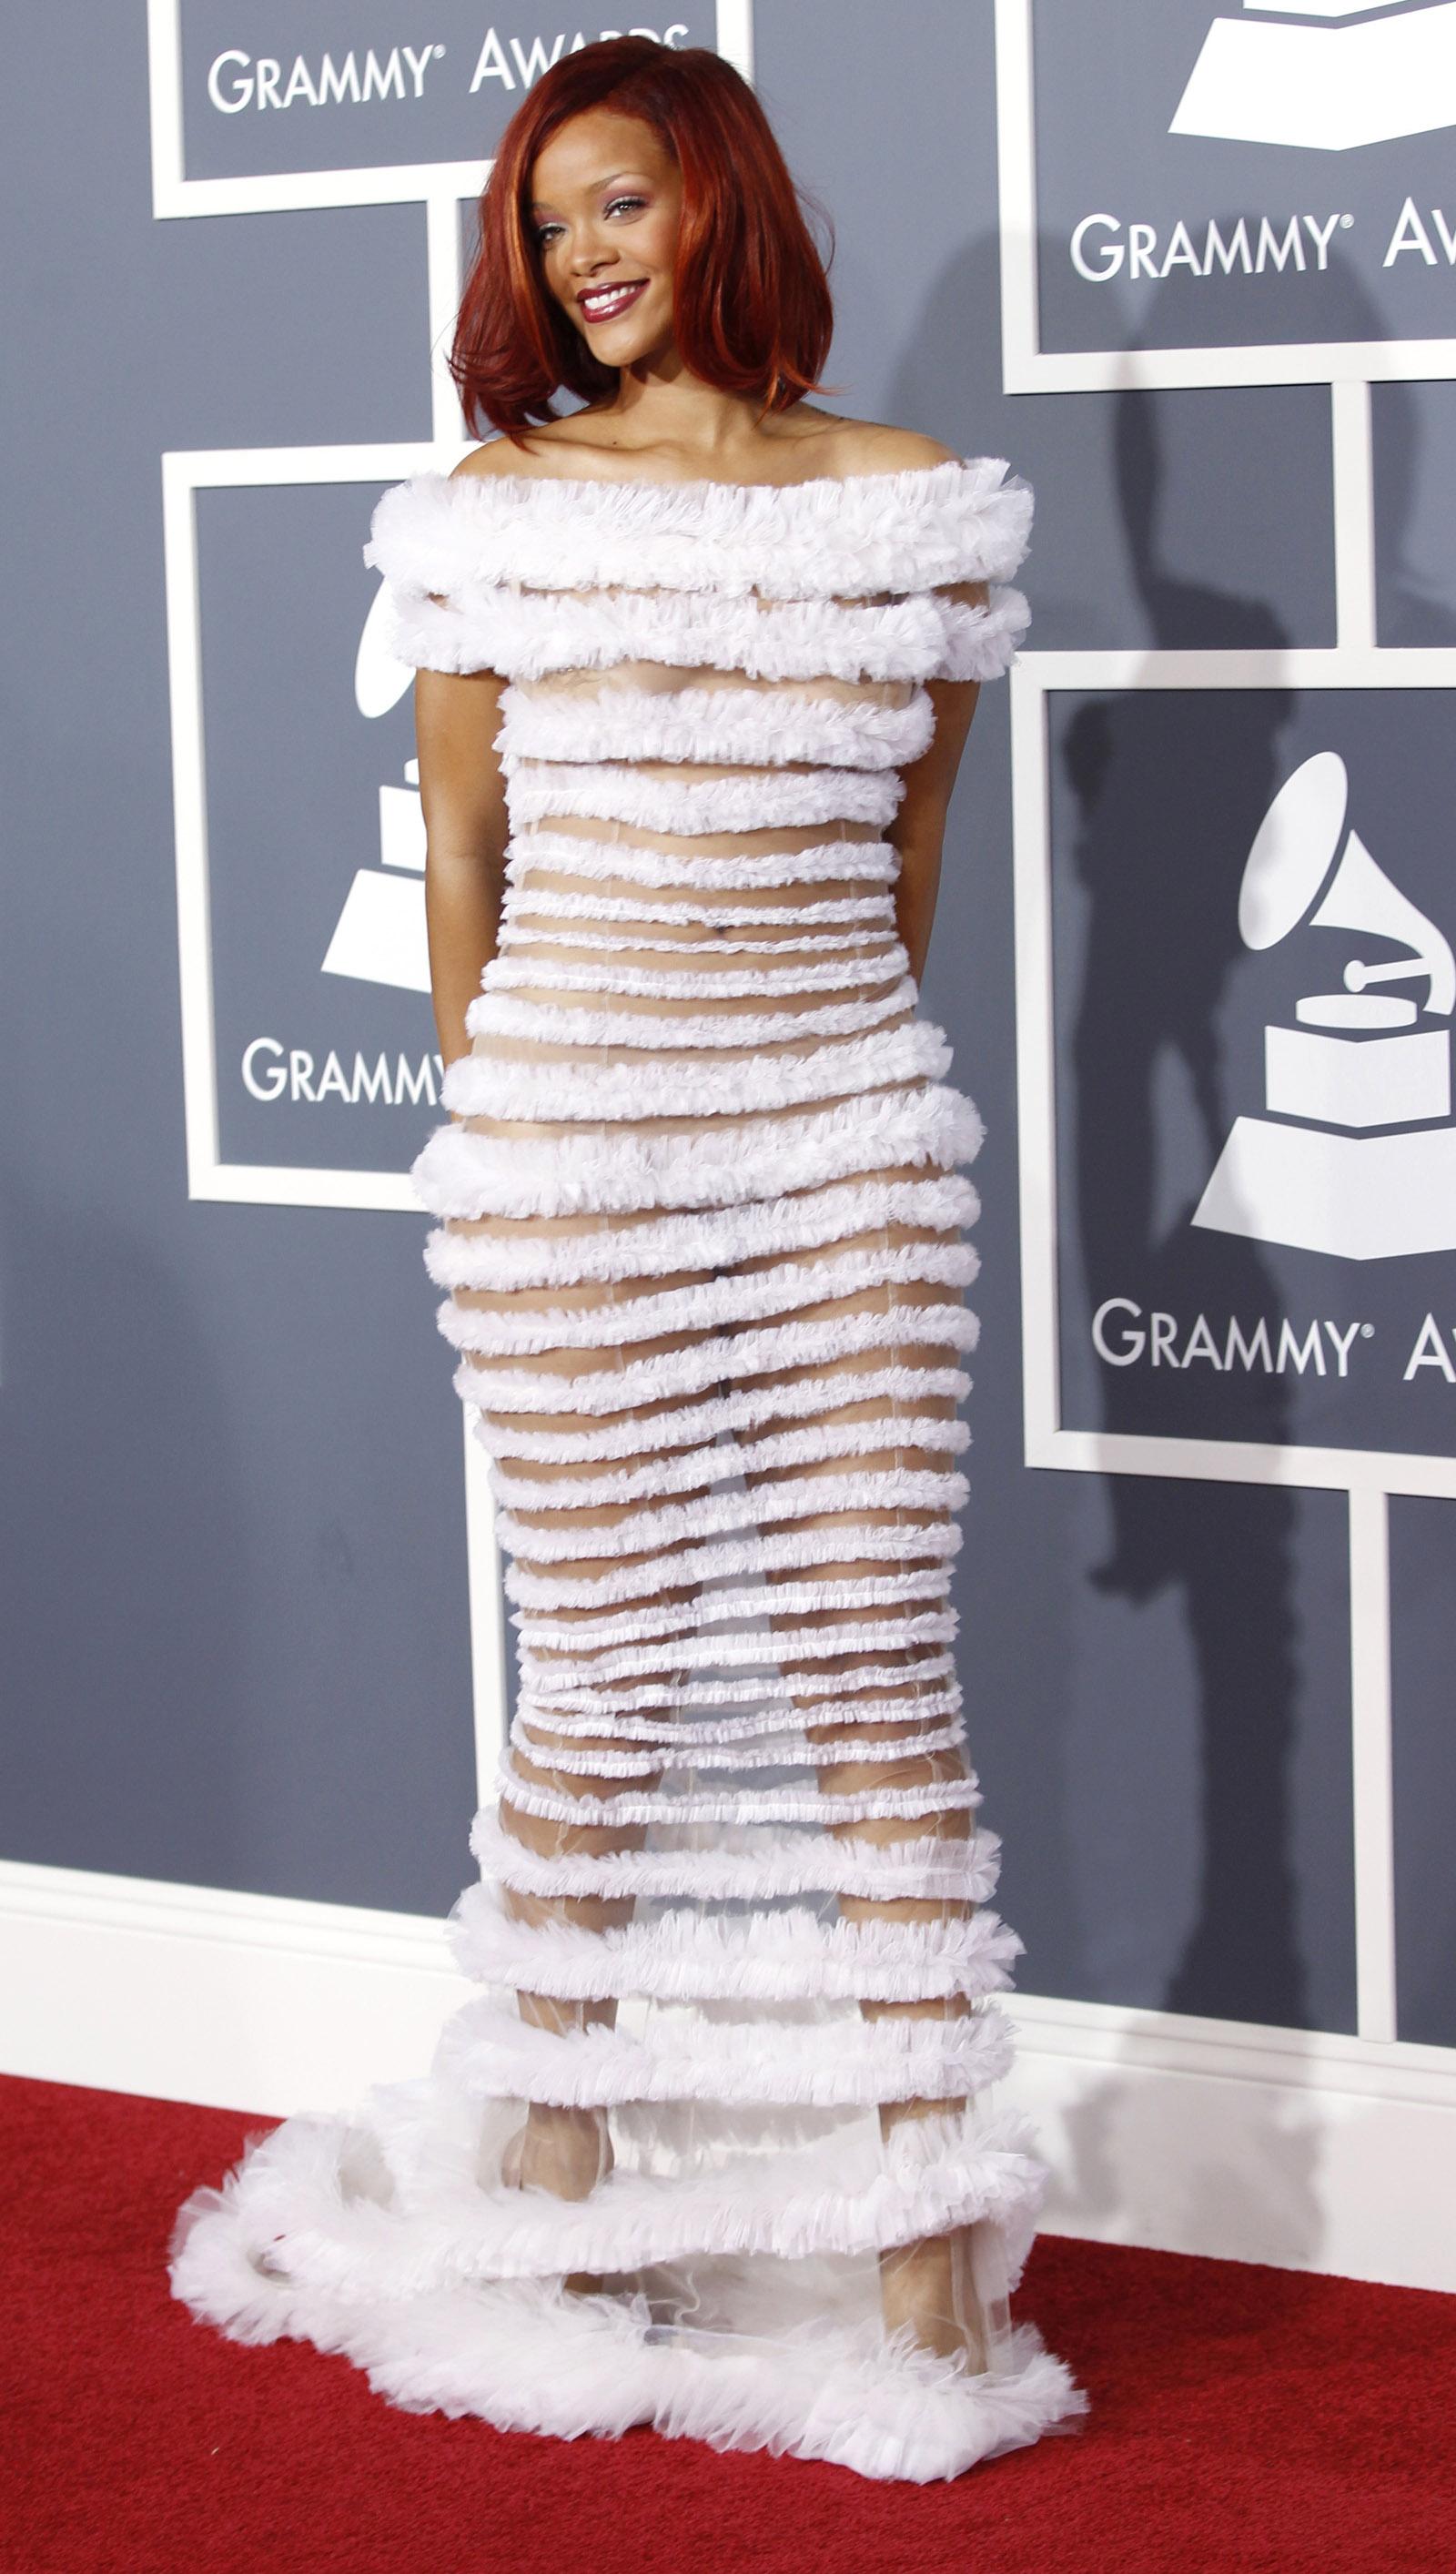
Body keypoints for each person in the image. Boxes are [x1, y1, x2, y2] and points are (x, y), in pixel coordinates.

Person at [171, 34, 1085, 2483]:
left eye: (620, 204)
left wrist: (804, 1080)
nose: (583, 254)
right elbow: (466, 858)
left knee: (877, 1663)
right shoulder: (494, 512)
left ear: (722, 203)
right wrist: (516, 1131)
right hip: (571, 1149)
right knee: (603, 1672)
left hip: (849, 1141)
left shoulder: (912, 506)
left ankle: (925, 2248)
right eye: (547, 222)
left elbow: (904, 860)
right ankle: (554, 2193)